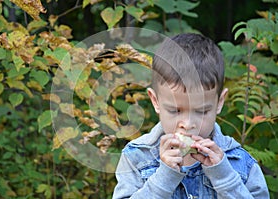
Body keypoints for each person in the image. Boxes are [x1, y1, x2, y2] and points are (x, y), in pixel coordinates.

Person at [112, 33, 269, 199]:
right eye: (175, 111)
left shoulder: (241, 164)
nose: (187, 124)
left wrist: (225, 178)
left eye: (201, 111)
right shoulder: (137, 157)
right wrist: (163, 180)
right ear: (155, 101)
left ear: (219, 102)